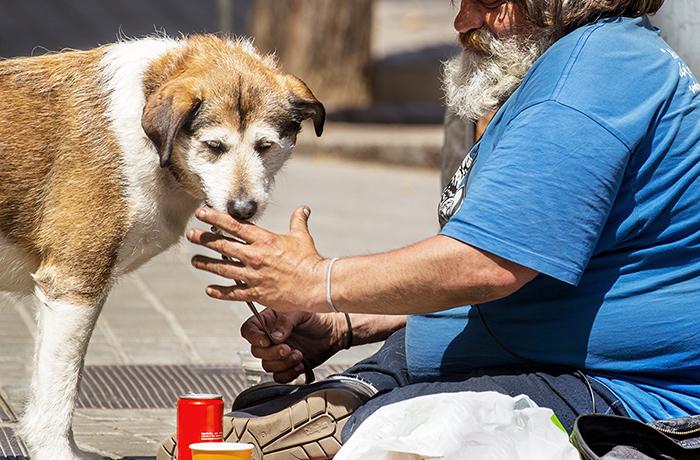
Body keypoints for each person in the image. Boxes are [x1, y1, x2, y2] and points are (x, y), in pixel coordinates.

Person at [186, 0, 700, 455]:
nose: (463, 23)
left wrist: (320, 281)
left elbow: (486, 264)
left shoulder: (584, 85)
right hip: (523, 351)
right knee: (256, 422)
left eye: (487, 2)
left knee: (390, 434)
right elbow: (522, 257)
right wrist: (348, 321)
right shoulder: (585, 62)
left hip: (622, 391)